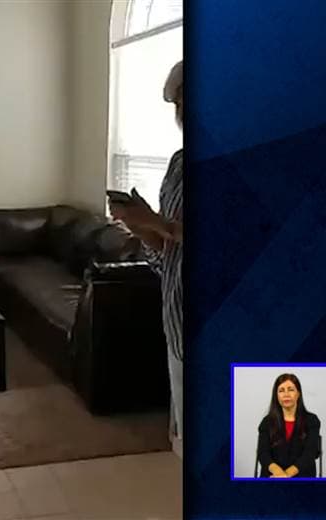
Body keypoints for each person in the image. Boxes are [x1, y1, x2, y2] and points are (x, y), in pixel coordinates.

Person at [109, 61, 184, 448]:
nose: (179, 114)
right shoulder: (178, 165)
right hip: (177, 323)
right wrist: (138, 224)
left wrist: (158, 222)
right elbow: (166, 250)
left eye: (183, 101)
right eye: (176, 104)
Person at [257, 373, 321, 478]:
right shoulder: (266, 422)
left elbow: (310, 453)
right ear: (276, 396)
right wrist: (278, 473)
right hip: (272, 477)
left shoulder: (312, 421)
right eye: (281, 391)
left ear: (298, 393)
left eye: (291, 390)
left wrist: (286, 475)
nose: (286, 394)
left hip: (302, 477)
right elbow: (263, 453)